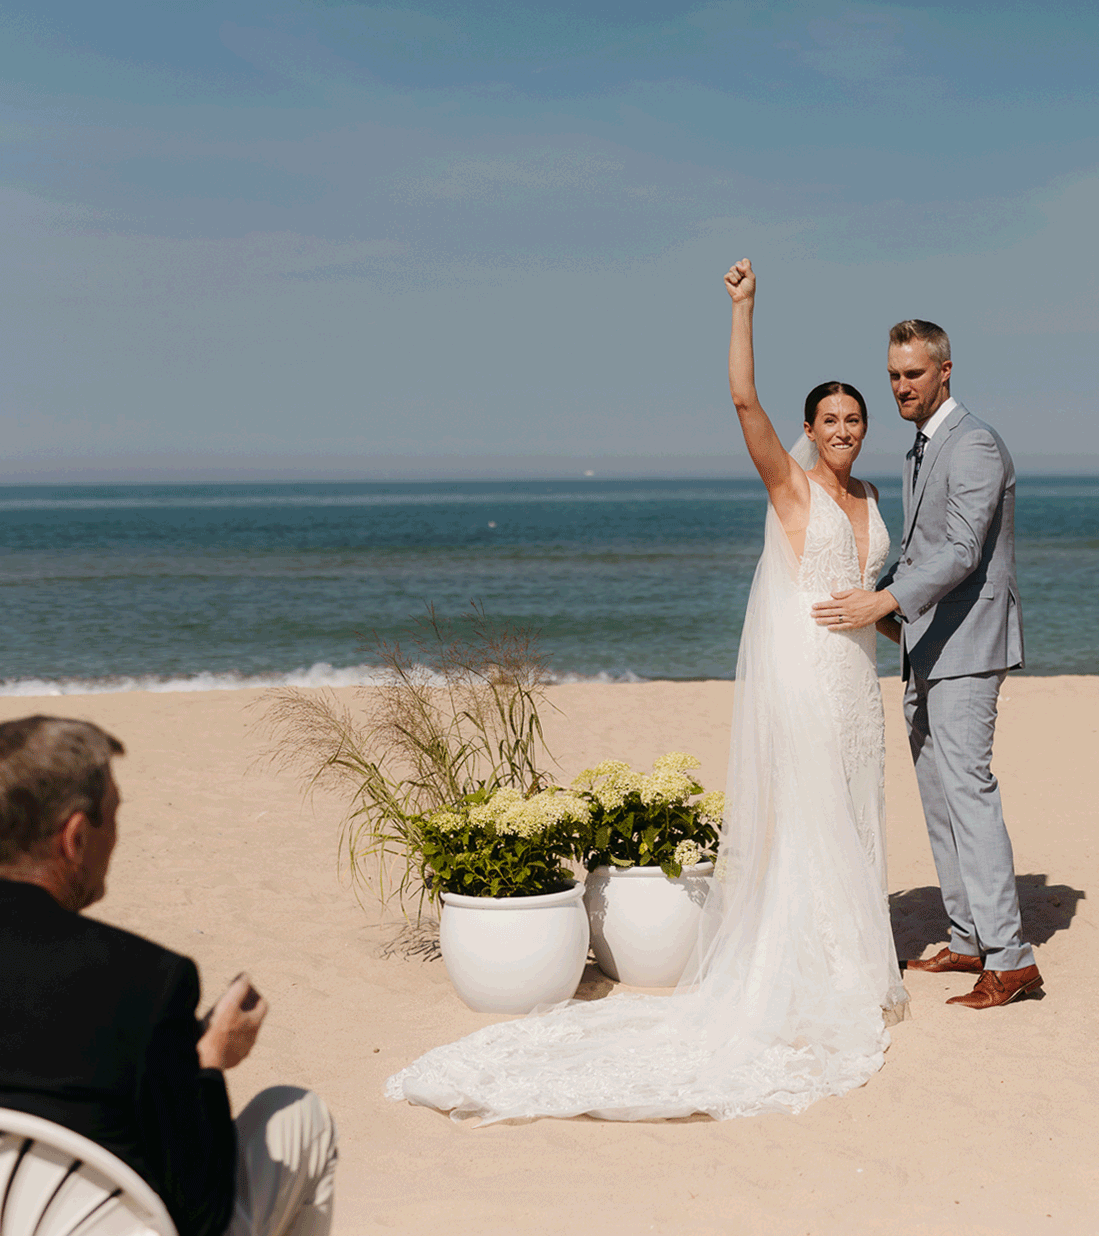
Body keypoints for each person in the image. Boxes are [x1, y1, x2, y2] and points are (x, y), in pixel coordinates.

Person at [385, 258, 908, 1122]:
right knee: (813, 817)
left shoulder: (872, 494)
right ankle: (811, 975)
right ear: (809, 430)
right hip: (807, 681)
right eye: (830, 419)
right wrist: (744, 308)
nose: (845, 429)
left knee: (854, 812)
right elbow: (745, 402)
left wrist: (902, 630)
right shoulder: (791, 483)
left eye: (855, 418)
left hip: (859, 678)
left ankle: (856, 963)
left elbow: (862, 592)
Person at [0, 715, 337, 1236]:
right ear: (74, 837)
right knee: (299, 1116)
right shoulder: (143, 981)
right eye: (112, 816)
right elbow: (203, 1212)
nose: (117, 835)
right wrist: (208, 1064)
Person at [812, 317, 1038, 1008]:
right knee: (940, 799)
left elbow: (962, 550)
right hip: (925, 645)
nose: (901, 385)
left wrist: (883, 600)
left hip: (969, 647)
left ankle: (1011, 958)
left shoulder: (971, 444)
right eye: (893, 375)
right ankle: (968, 937)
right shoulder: (920, 448)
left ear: (944, 370)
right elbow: (920, 545)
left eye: (912, 373)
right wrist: (897, 624)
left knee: (968, 795)